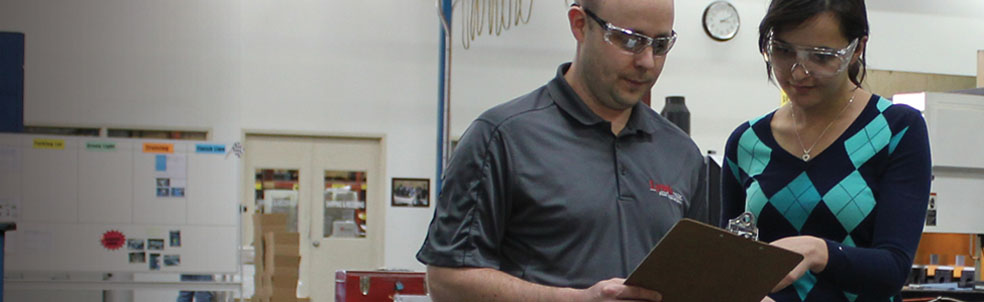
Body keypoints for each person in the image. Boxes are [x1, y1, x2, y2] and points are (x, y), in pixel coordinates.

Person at [416, 0, 707, 301]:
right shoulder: (502, 138)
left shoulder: (682, 154)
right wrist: (573, 300)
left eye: (660, 45)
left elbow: (701, 277)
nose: (647, 61)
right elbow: (446, 281)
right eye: (629, 39)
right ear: (580, 24)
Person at [721, 0, 931, 301]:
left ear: (857, 48)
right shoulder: (747, 141)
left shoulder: (896, 129)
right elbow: (729, 261)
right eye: (782, 51)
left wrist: (818, 251)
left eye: (821, 57)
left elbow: (893, 269)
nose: (798, 73)